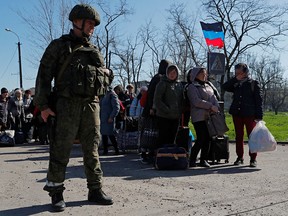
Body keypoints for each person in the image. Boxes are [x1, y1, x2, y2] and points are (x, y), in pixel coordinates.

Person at [34, 4, 114, 212]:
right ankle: (56, 192)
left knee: (92, 149)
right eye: (89, 23)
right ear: (77, 22)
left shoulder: (94, 50)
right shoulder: (59, 46)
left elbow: (101, 80)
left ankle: (95, 189)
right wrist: (42, 106)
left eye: (94, 24)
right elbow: (44, 76)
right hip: (66, 105)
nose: (92, 27)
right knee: (61, 149)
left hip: (91, 105)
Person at [222, 63, 263, 167]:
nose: (238, 74)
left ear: (245, 72)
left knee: (252, 137)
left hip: (250, 114)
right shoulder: (235, 83)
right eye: (236, 73)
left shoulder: (253, 83)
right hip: (237, 114)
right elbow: (224, 86)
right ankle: (239, 157)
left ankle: (253, 158)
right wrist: (235, 79)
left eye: (240, 72)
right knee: (238, 136)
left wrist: (259, 116)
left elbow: (259, 101)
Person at [187, 67, 220, 167]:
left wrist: (216, 107)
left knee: (208, 138)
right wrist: (210, 106)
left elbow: (214, 98)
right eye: (202, 74)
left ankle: (203, 159)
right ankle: (192, 159)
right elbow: (196, 101)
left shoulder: (208, 86)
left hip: (209, 116)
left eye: (205, 74)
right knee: (201, 138)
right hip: (199, 117)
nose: (204, 75)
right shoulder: (192, 87)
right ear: (195, 75)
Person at [153, 64, 183, 148]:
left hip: (176, 116)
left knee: (172, 138)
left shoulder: (179, 85)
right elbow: (157, 100)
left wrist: (180, 110)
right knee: (163, 138)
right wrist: (167, 109)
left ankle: (170, 157)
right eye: (170, 72)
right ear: (167, 73)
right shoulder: (162, 84)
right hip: (164, 116)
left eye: (174, 72)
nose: (172, 74)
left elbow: (181, 99)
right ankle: (160, 156)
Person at [100, 86, 120, 155]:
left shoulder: (112, 94)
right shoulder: (102, 95)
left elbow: (116, 107)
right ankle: (105, 150)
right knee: (104, 134)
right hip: (102, 118)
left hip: (109, 119)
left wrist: (111, 117)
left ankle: (117, 149)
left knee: (111, 134)